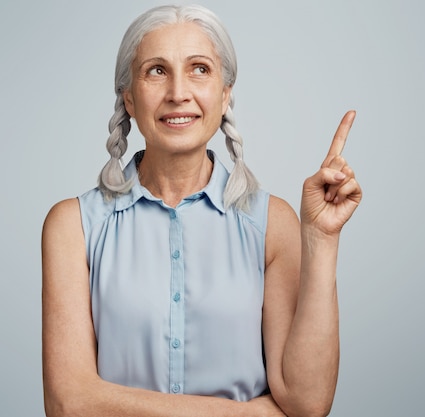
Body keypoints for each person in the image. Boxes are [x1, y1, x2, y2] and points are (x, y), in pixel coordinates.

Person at [41, 4, 361, 417]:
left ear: (225, 94)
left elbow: (307, 401)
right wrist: (250, 413)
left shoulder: (273, 223)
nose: (178, 92)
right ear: (129, 98)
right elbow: (69, 403)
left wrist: (321, 240)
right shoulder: (72, 227)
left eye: (199, 69)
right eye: (156, 70)